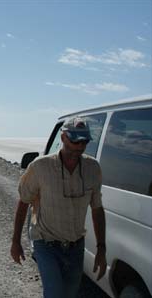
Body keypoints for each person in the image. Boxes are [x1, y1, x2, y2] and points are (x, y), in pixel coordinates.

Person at [10, 116, 107, 298]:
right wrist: (16, 241)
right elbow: (24, 201)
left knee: (70, 294)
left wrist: (101, 248)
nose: (78, 146)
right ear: (63, 138)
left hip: (76, 246)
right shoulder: (40, 167)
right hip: (46, 244)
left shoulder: (93, 168)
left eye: (84, 142)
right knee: (54, 293)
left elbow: (97, 209)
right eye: (74, 140)